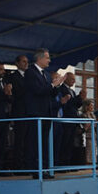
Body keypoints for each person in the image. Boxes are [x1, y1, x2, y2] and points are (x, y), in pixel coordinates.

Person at [25, 49, 66, 177]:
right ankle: (35, 169)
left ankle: (44, 168)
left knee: (44, 143)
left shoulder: (46, 74)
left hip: (46, 113)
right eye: (47, 58)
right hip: (36, 113)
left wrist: (57, 86)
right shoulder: (30, 72)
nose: (49, 61)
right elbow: (38, 90)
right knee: (35, 142)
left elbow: (51, 94)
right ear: (40, 58)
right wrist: (53, 85)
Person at [57, 73, 84, 166]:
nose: (74, 81)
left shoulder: (72, 91)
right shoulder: (61, 89)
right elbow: (67, 104)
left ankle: (68, 162)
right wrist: (77, 98)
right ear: (66, 79)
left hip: (73, 121)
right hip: (66, 120)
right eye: (72, 79)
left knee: (70, 143)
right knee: (64, 142)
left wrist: (80, 98)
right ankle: (61, 163)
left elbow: (76, 105)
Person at [7, 55, 29, 170]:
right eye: (23, 62)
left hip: (30, 112)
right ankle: (18, 165)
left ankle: (27, 163)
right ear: (17, 63)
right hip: (20, 112)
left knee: (29, 140)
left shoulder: (30, 76)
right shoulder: (12, 77)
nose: (26, 64)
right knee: (19, 140)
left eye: (27, 62)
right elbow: (14, 95)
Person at [80, 99, 95, 165]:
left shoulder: (93, 115)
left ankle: (93, 165)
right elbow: (85, 125)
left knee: (94, 152)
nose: (92, 107)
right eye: (91, 105)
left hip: (94, 135)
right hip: (87, 136)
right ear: (87, 106)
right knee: (88, 152)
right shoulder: (84, 115)